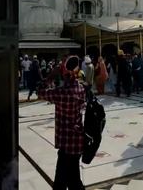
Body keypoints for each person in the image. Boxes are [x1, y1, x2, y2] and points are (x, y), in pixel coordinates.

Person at [38, 55, 86, 190]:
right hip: (77, 142)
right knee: (73, 180)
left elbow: (40, 92)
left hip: (66, 144)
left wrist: (50, 76)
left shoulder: (61, 93)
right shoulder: (81, 89)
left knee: (61, 183)